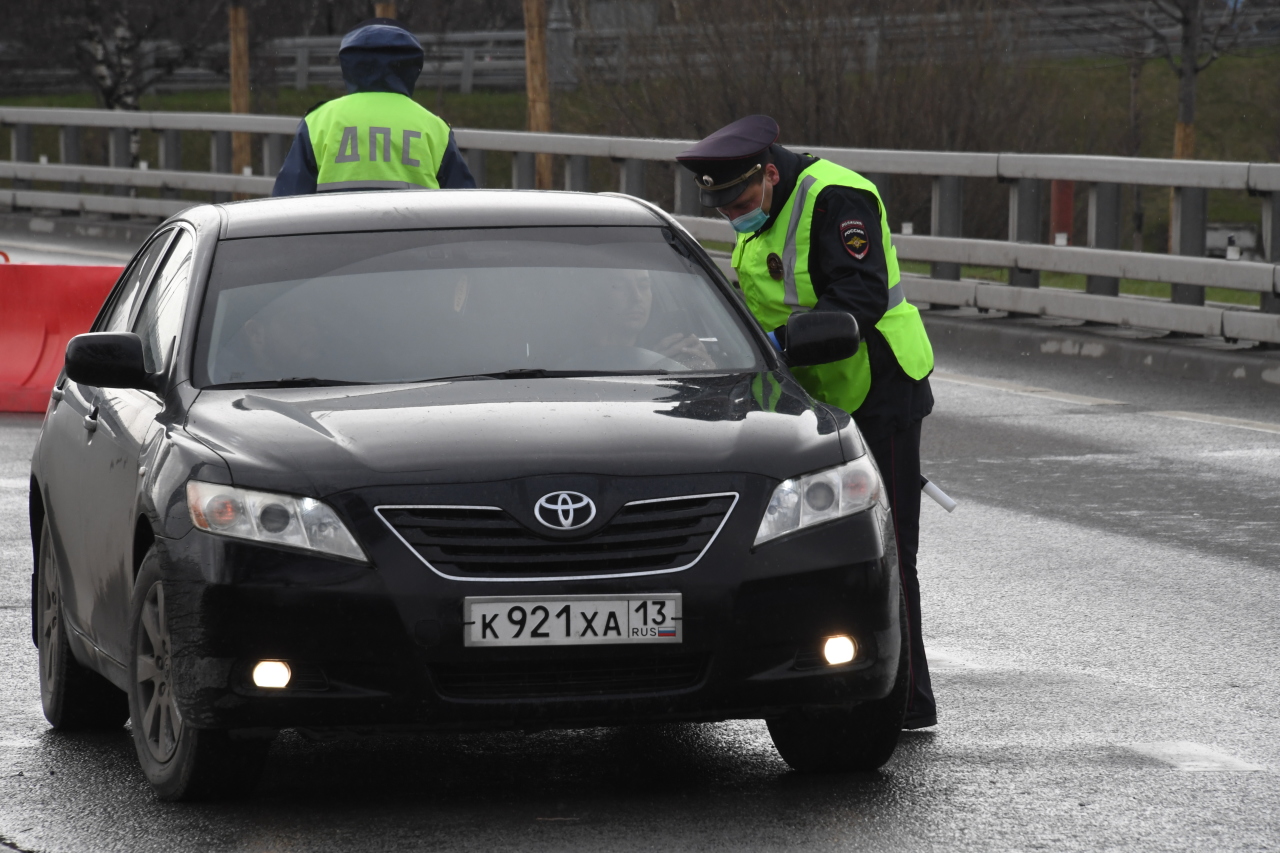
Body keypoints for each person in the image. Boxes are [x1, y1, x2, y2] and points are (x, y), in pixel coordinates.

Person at [676, 115, 938, 730]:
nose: (732, 214)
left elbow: (859, 297)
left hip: (881, 389)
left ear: (768, 174)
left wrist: (776, 343)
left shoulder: (835, 196)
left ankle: (907, 700)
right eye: (721, 207)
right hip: (815, 398)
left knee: (889, 546)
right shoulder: (762, 208)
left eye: (739, 200)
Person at [272, 18, 475, 196]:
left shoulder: (318, 122)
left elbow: (286, 204)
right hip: (415, 239)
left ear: (349, 64)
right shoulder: (434, 128)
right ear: (412, 67)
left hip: (335, 238)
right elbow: (464, 209)